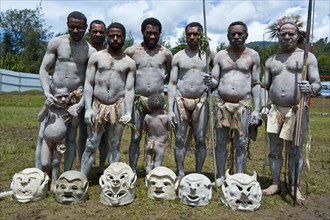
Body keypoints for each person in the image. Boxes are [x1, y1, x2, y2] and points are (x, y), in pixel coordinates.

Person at [261, 15, 321, 205]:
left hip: (297, 110)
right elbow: (264, 86)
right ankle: (275, 182)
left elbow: (317, 83)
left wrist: (310, 89)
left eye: (290, 34)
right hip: (275, 110)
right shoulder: (272, 60)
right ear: (278, 36)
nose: (287, 37)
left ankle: (295, 186)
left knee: (295, 150)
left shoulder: (307, 57)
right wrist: (263, 105)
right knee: (275, 149)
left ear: (298, 35)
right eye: (283, 34)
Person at [204, 21, 261, 186]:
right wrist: (210, 81)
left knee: (241, 143)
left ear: (246, 35)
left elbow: (256, 83)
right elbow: (215, 81)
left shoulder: (253, 55)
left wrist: (257, 109)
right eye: (232, 34)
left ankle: (239, 177)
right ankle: (221, 176)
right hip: (223, 105)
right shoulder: (221, 56)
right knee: (221, 142)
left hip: (243, 105)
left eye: (240, 34)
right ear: (228, 36)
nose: (236, 37)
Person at [37, 11, 96, 171]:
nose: (75, 31)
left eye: (79, 28)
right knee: (44, 134)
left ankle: (67, 173)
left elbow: (90, 81)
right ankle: (40, 173)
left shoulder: (90, 51)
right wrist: (46, 92)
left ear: (85, 28)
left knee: (71, 138)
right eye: (72, 27)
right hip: (54, 96)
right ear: (67, 26)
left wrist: (82, 103)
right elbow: (43, 69)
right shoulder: (56, 43)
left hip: (74, 99)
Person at [80, 22, 136, 176]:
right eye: (112, 36)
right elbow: (88, 83)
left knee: (115, 144)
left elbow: (129, 89)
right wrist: (88, 108)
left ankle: (113, 179)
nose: (115, 39)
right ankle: (81, 178)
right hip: (97, 104)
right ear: (107, 36)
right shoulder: (97, 57)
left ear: (124, 37)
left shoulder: (129, 63)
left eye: (119, 36)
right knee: (91, 144)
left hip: (118, 105)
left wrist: (129, 112)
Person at [124, 17, 172, 174]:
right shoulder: (132, 51)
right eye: (149, 32)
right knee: (136, 136)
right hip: (138, 99)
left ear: (159, 33)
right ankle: (132, 169)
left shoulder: (165, 53)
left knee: (157, 138)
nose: (152, 36)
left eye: (155, 33)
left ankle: (154, 169)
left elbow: (172, 74)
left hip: (157, 102)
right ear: (142, 32)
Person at [168, 22, 211, 177]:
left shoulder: (208, 54)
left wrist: (213, 82)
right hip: (180, 100)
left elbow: (217, 78)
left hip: (201, 100)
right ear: (185, 35)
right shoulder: (178, 56)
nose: (192, 37)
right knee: (179, 138)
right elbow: (172, 83)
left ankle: (198, 173)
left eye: (196, 34)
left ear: (201, 36)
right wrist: (169, 110)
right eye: (189, 34)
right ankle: (180, 172)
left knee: (200, 138)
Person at [37, 87, 73, 191]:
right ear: (53, 97)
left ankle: (54, 181)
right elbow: (39, 118)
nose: (63, 99)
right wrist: (45, 108)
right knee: (45, 163)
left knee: (56, 162)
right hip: (47, 140)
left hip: (61, 141)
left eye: (66, 96)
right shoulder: (50, 109)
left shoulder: (68, 110)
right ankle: (46, 178)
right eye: (59, 97)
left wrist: (74, 116)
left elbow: (74, 125)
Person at [86, 19, 109, 173]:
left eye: (101, 31)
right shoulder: (85, 50)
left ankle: (102, 166)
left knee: (106, 137)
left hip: (104, 101)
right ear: (89, 32)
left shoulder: (109, 53)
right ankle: (84, 168)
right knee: (86, 137)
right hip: (87, 97)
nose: (98, 34)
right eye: (95, 31)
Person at [143, 94, 171, 174]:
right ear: (163, 107)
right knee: (157, 164)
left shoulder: (147, 117)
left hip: (149, 143)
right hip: (160, 144)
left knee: (149, 164)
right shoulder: (164, 118)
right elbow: (169, 128)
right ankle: (155, 178)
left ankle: (148, 178)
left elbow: (145, 128)